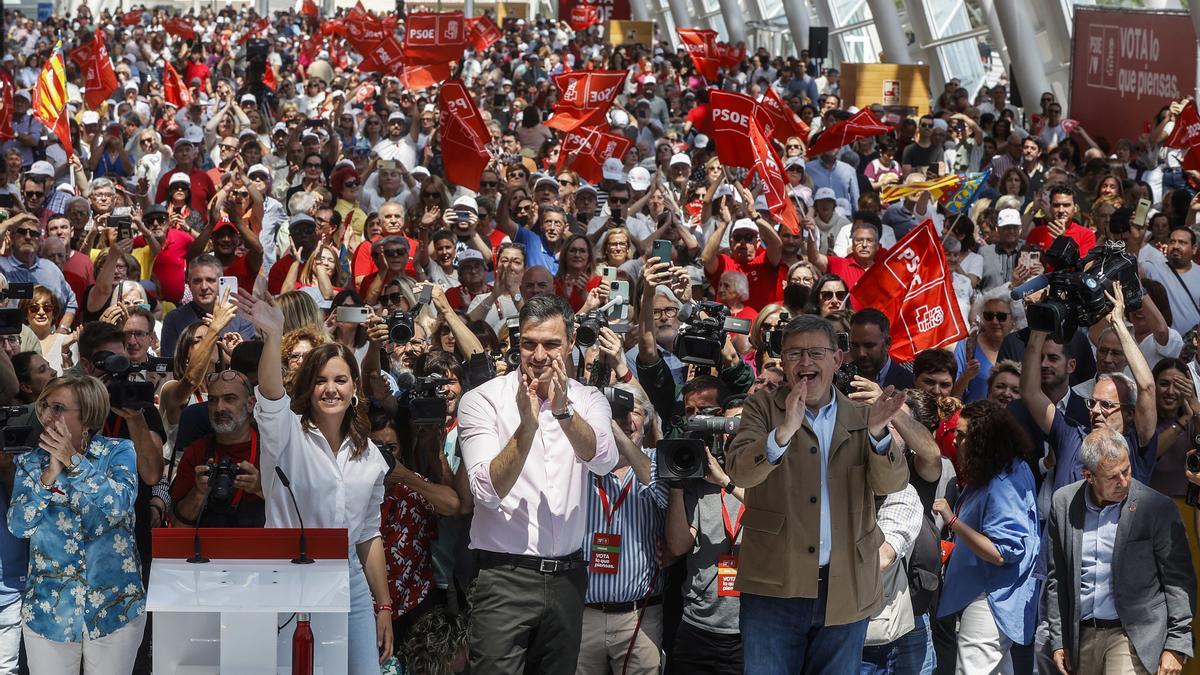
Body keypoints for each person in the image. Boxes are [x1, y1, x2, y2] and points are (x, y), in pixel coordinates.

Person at [725, 314, 910, 673]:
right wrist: (783, 433)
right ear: (782, 361)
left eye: (815, 353)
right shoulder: (762, 408)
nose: (805, 363)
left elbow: (891, 484)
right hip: (774, 589)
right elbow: (740, 470)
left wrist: (876, 435)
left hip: (845, 587)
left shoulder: (862, 413)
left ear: (837, 359)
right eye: (794, 354)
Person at [456, 294, 617, 674]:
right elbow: (485, 492)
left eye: (551, 344)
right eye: (529, 343)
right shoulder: (482, 400)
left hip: (568, 579)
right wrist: (526, 427)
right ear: (517, 342)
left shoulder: (588, 399)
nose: (539, 355)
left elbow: (603, 460)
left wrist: (562, 412)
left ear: (571, 342)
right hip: (502, 579)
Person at [239, 291, 394, 672]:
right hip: (290, 580)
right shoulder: (285, 434)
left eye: (341, 380)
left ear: (354, 389)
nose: (331, 389)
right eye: (321, 380)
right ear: (308, 389)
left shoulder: (370, 456)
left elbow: (368, 534)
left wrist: (384, 605)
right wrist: (274, 336)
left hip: (351, 584)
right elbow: (272, 394)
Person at [8, 374, 145, 673]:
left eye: (58, 408)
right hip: (49, 611)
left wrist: (75, 463)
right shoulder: (30, 462)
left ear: (88, 417)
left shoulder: (118, 452)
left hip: (113, 608)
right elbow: (18, 526)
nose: (45, 415)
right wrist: (49, 475)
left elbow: (119, 505)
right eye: (44, 405)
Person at [1046, 427, 1195, 675]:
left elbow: (1179, 580)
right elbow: (1056, 579)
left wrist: (1177, 644)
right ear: (1089, 476)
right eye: (1112, 477)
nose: (1124, 482)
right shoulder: (1063, 503)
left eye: (1126, 471)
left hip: (1132, 636)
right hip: (1081, 635)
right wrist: (1059, 638)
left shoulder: (1157, 507)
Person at [933, 400, 1039, 674]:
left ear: (984, 440)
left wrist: (953, 521)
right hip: (989, 597)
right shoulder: (1003, 471)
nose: (956, 441)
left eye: (963, 434)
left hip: (990, 600)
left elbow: (1002, 552)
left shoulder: (1005, 482)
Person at [169, 369, 265, 528]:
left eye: (230, 399)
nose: (219, 408)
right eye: (213, 400)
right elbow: (178, 525)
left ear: (250, 404)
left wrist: (262, 488)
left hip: (262, 548)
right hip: (207, 549)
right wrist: (198, 493)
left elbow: (298, 512)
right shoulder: (196, 452)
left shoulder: (270, 450)